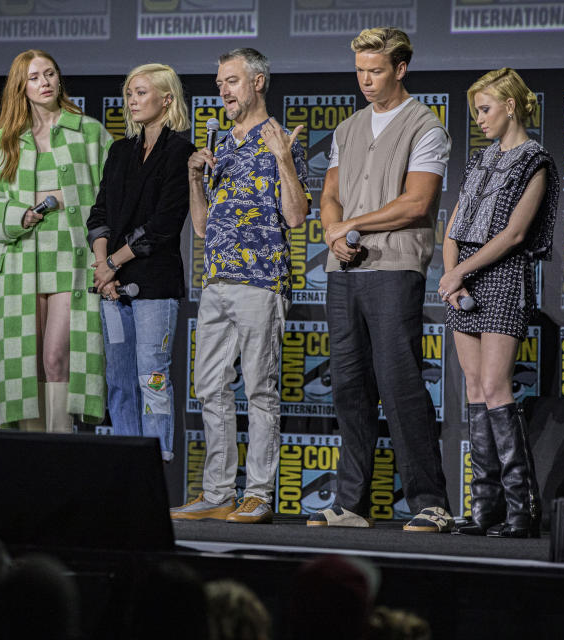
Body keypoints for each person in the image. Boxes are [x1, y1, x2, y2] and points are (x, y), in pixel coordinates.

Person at [310, 27, 453, 532]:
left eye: (375, 71)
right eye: (359, 71)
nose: (365, 80)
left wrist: (354, 224)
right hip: (343, 268)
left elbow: (417, 203)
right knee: (349, 386)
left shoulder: (425, 126)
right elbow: (330, 192)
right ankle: (351, 503)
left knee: (400, 384)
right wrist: (332, 230)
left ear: (400, 69)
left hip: (394, 269)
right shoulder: (347, 128)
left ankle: (431, 502)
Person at [170, 48, 310, 524]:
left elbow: (295, 216)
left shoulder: (282, 138)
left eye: (231, 81)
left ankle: (258, 494)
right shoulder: (220, 142)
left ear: (258, 82)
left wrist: (284, 160)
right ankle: (218, 492)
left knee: (259, 391)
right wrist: (194, 177)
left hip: (261, 279)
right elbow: (205, 227)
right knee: (210, 388)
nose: (222, 91)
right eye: (219, 83)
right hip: (216, 280)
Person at [441, 68, 558, 538]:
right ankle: (484, 507)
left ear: (511, 106)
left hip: (504, 275)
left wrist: (459, 273)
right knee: (473, 388)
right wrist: (453, 277)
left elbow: (514, 235)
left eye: (485, 109)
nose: (479, 119)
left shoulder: (537, 161)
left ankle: (520, 509)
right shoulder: (479, 160)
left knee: (495, 386)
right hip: (463, 279)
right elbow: (452, 228)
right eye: (475, 112)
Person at [0, 50, 112, 432]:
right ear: (21, 87)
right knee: (26, 364)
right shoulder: (3, 142)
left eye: (50, 74)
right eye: (34, 77)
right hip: (21, 263)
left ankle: (60, 453)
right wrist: (19, 214)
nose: (45, 82)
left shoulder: (89, 131)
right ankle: (34, 460)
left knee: (57, 358)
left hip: (72, 260)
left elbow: (112, 197)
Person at [86, 63, 194, 461]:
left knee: (153, 377)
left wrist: (112, 262)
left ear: (166, 99)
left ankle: (154, 462)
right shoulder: (118, 151)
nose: (132, 100)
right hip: (111, 290)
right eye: (129, 93)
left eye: (142, 92)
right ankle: (125, 465)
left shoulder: (181, 152)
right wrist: (103, 268)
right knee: (118, 381)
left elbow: (164, 225)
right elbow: (99, 216)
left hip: (153, 287)